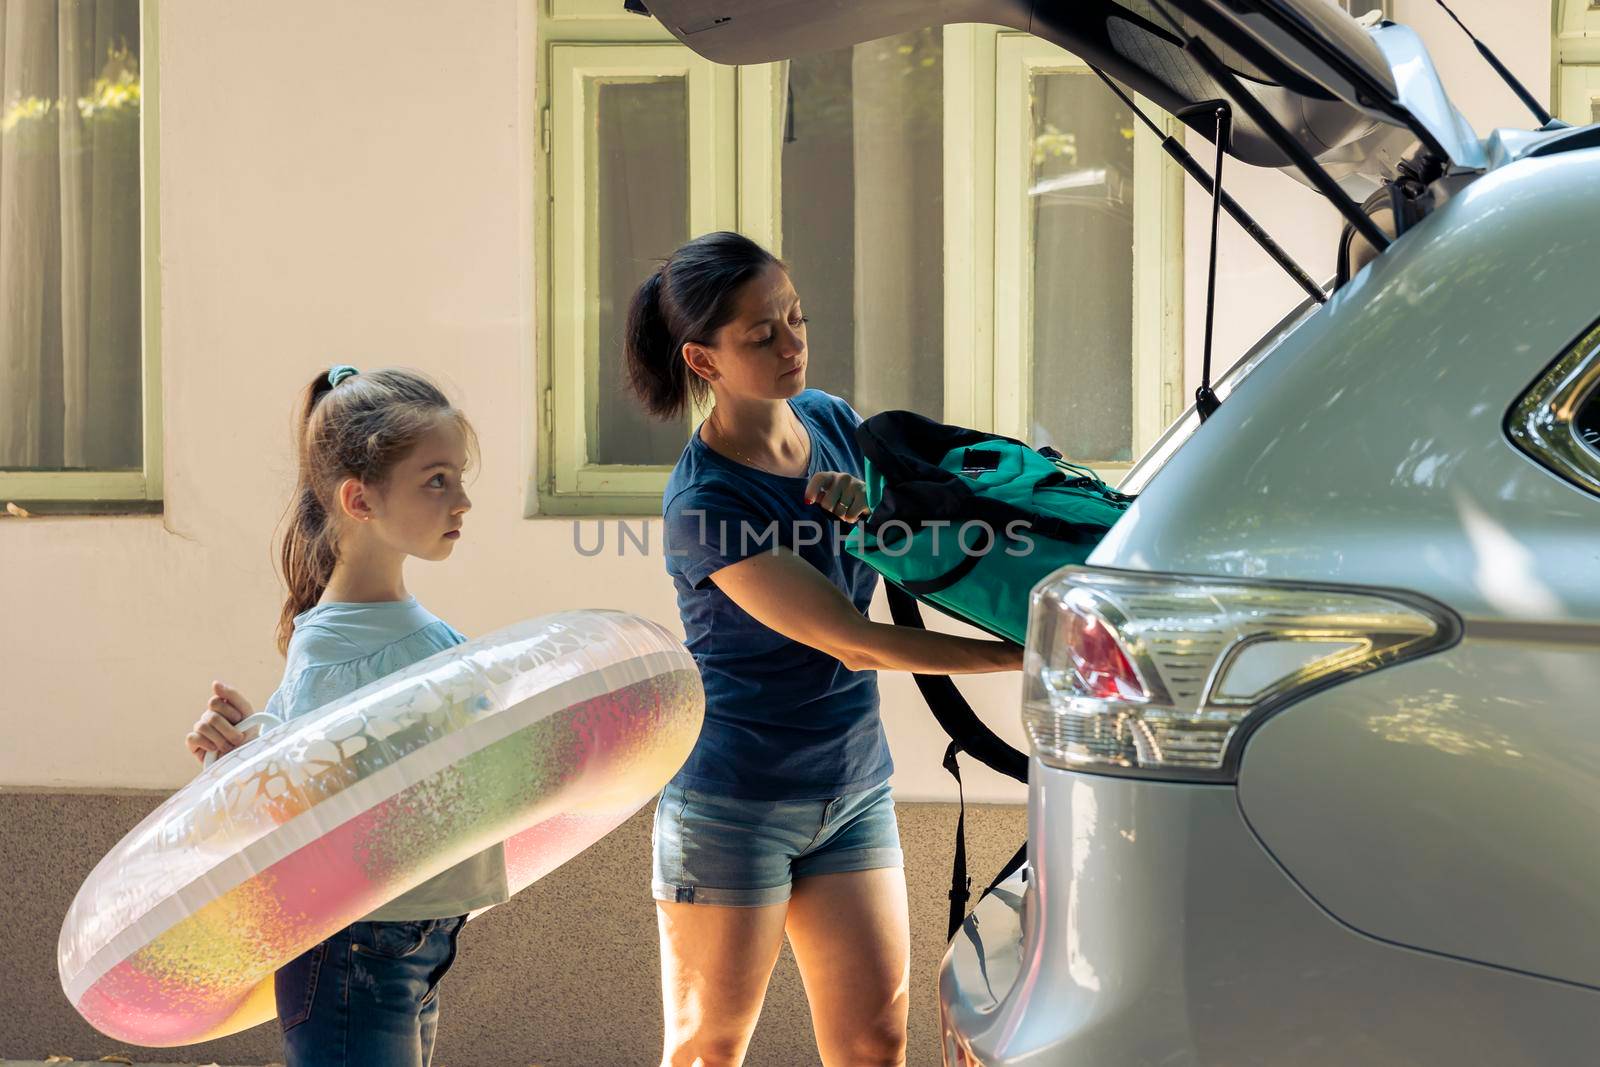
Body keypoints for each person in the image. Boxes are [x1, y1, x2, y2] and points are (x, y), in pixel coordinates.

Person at [625, 231, 1023, 1067]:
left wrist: (872, 514)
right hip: (734, 805)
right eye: (760, 334)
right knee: (709, 1050)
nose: (791, 342)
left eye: (795, 318)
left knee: (876, 1045)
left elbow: (909, 541)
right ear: (702, 359)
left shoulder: (832, 420)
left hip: (851, 790)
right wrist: (1027, 653)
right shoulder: (707, 501)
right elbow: (853, 641)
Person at [184, 365, 493, 1067]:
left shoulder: (399, 628)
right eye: (437, 479)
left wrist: (255, 738)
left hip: (406, 938)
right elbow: (311, 800)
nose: (464, 500)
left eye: (460, 477)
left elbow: (331, 749)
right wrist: (243, 761)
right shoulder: (337, 647)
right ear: (360, 499)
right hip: (357, 947)